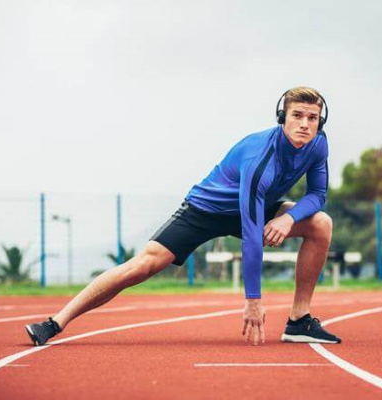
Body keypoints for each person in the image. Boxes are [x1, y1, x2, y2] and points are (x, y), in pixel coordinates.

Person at [25, 86, 342, 347]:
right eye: (297, 116)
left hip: (259, 206)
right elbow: (250, 236)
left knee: (320, 223)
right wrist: (253, 301)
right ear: (281, 119)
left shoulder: (318, 146)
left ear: (320, 123)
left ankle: (299, 321)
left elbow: (317, 195)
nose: (305, 124)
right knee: (143, 265)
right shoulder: (260, 158)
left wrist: (287, 219)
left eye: (312, 118)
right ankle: (54, 323)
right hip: (206, 210)